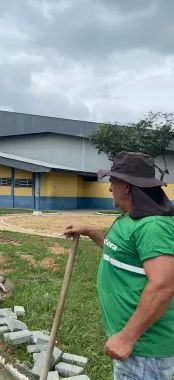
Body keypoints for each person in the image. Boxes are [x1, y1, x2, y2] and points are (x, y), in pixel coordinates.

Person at [64, 151, 174, 380]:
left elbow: (164, 285)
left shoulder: (152, 226)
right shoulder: (130, 217)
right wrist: (89, 231)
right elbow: (121, 254)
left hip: (143, 350)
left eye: (112, 181)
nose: (109, 188)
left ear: (126, 186)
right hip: (135, 344)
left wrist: (126, 338)